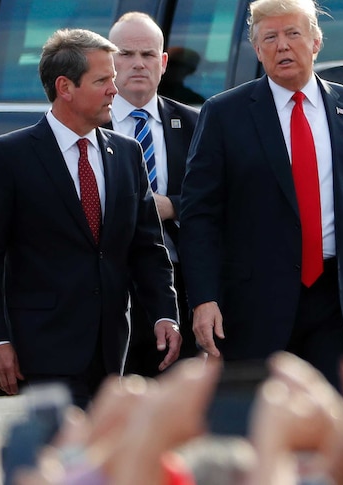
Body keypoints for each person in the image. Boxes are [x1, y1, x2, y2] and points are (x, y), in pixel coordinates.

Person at [179, 0, 343, 388]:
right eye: (269, 37)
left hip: (339, 302)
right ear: (257, 50)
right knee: (258, 428)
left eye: (293, 34)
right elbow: (199, 216)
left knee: (335, 429)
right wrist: (203, 299)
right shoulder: (225, 114)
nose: (282, 46)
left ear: (316, 41)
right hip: (255, 305)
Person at [0, 28, 181, 408]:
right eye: (103, 81)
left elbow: (148, 246)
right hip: (43, 350)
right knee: (58, 462)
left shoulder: (127, 154)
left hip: (113, 349)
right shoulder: (8, 156)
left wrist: (166, 313)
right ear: (65, 87)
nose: (115, 90)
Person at [106, 12, 200, 376]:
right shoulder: (84, 124)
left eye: (147, 55)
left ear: (163, 63)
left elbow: (219, 200)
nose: (137, 64)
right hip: (109, 283)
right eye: (126, 54)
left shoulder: (195, 124)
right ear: (109, 62)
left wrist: (171, 206)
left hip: (178, 284)